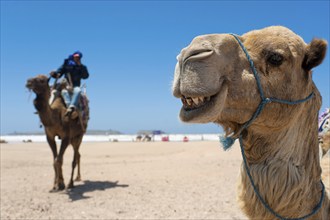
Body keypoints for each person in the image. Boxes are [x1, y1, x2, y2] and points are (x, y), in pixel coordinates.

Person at [50, 51, 89, 116]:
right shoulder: (66, 65)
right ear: (73, 57)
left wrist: (80, 67)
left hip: (75, 86)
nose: (76, 58)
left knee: (78, 90)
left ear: (80, 58)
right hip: (66, 86)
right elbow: (59, 73)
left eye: (78, 57)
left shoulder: (82, 67)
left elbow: (85, 76)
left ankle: (72, 107)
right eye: (75, 57)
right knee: (60, 92)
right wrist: (54, 74)